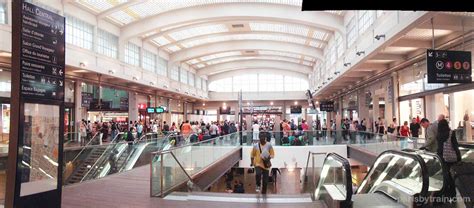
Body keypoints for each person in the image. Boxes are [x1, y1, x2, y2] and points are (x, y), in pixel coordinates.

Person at [436, 119, 461, 200]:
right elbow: (455, 146)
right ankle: (453, 194)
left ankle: (446, 193)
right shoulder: (451, 133)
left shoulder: (438, 135)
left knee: (445, 175)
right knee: (452, 175)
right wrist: (459, 157)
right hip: (451, 158)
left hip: (441, 157)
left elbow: (439, 148)